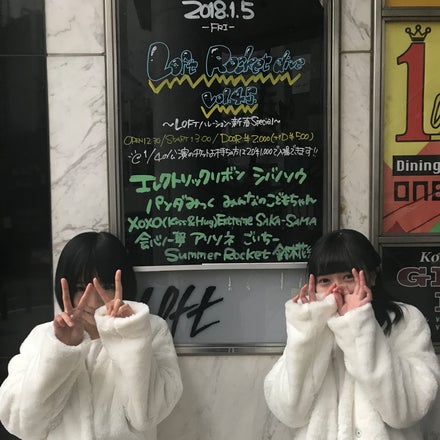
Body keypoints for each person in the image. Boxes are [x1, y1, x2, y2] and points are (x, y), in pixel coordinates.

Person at [0, 231, 183, 440]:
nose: (94, 301)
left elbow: (147, 415)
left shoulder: (148, 329)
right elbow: (23, 425)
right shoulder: (44, 337)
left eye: (107, 286)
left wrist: (128, 336)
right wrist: (61, 351)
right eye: (81, 288)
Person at [264, 228, 440, 439]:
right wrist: (308, 331)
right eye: (325, 281)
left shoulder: (405, 320)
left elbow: (407, 411)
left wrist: (359, 325)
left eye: (348, 277)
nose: (337, 288)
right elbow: (290, 412)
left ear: (372, 276)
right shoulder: (311, 326)